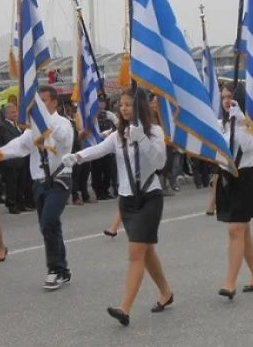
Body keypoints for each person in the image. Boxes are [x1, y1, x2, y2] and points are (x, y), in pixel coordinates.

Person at [64, 90, 172, 326]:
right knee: (146, 252)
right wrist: (76, 157)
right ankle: (166, 292)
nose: (123, 109)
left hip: (149, 197)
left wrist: (141, 138)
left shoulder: (154, 131)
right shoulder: (118, 135)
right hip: (127, 200)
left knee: (136, 253)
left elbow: (160, 163)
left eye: (128, 105)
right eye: (120, 105)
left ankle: (124, 308)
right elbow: (99, 149)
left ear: (139, 108)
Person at [0, 85, 74, 290]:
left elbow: (63, 139)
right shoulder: (32, 130)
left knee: (49, 221)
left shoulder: (63, 124)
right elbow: (18, 147)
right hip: (39, 183)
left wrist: (42, 117)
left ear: (54, 102)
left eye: (44, 101)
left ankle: (55, 269)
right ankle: (63, 269)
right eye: (37, 101)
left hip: (59, 181)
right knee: (49, 225)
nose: (39, 105)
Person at [216, 93, 253, 299]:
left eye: (231, 98)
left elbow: (247, 145)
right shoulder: (221, 124)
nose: (227, 101)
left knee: (236, 229)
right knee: (243, 232)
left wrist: (241, 121)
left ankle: (230, 283)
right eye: (224, 97)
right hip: (228, 179)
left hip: (246, 179)